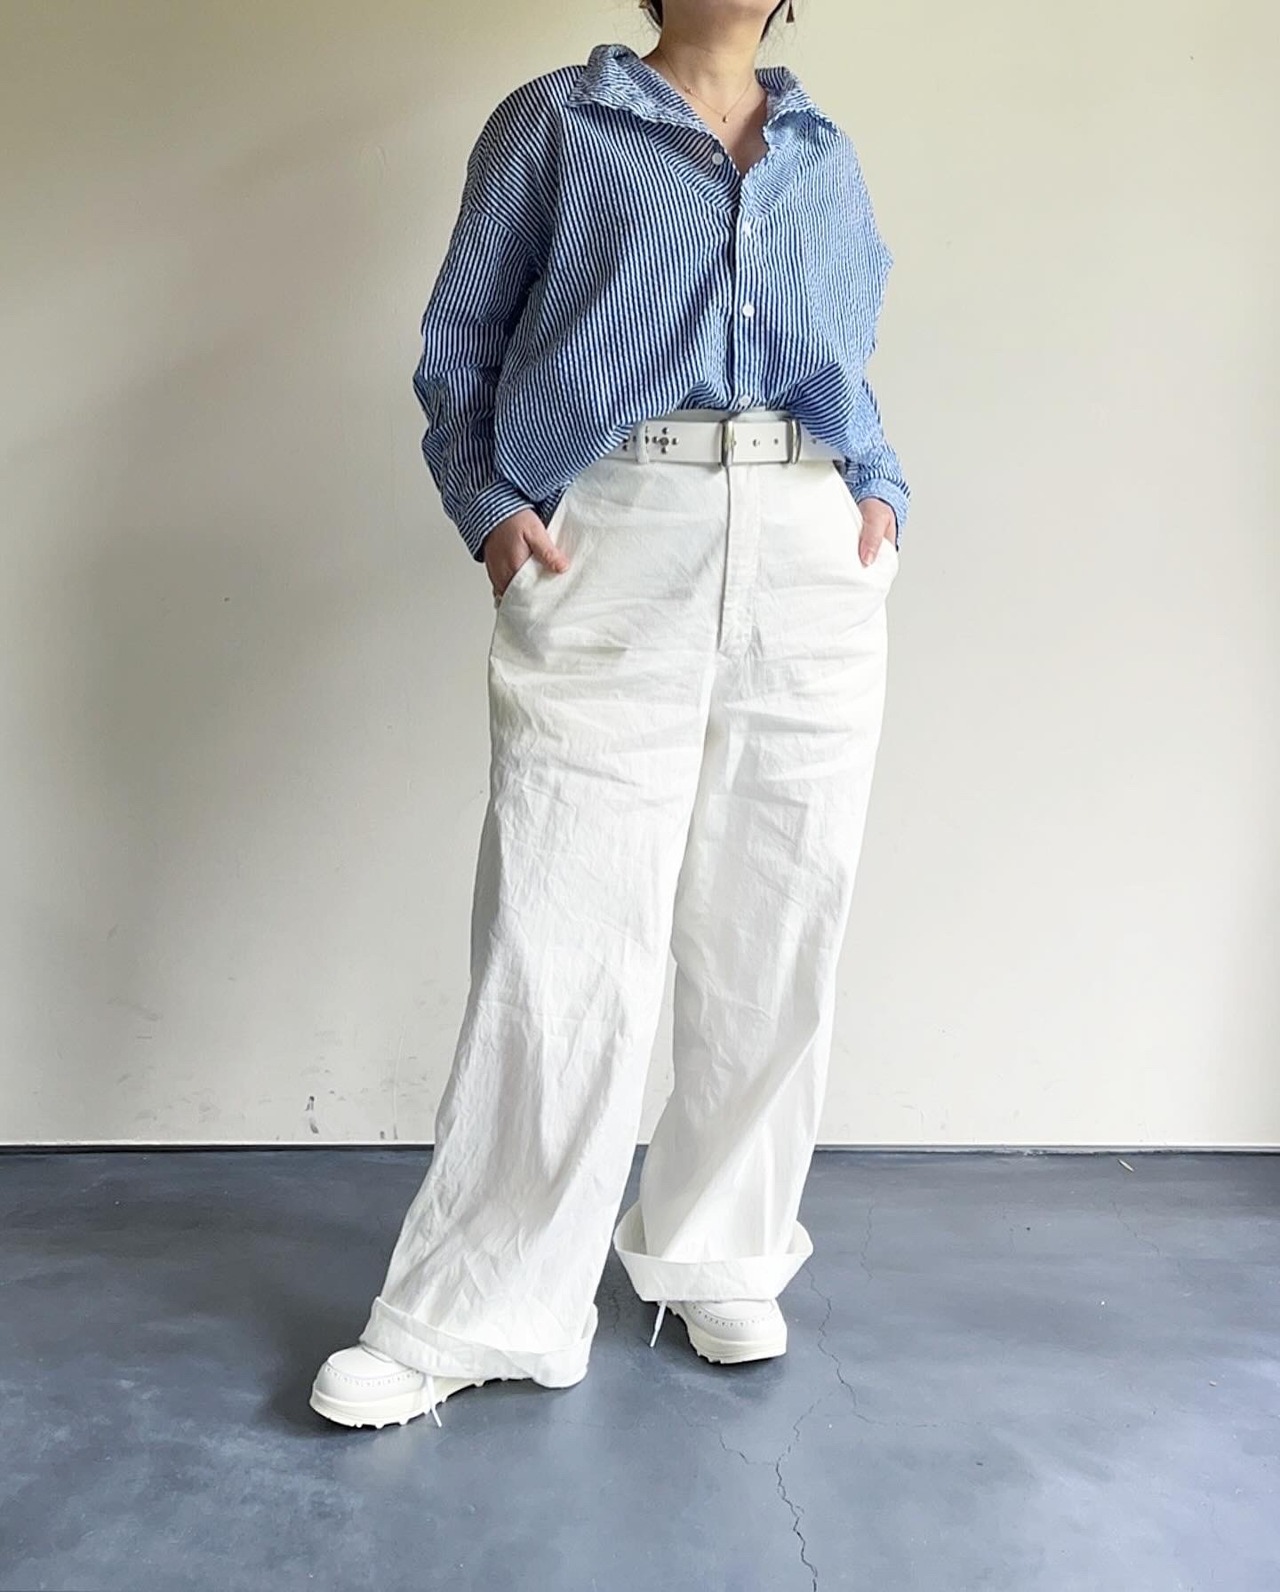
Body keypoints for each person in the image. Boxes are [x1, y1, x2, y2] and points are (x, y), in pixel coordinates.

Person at [310, 0, 910, 1430]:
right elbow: (462, 335)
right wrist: (488, 504)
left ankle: (721, 1252)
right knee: (563, 920)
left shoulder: (821, 148)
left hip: (808, 537)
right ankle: (485, 1307)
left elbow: (844, 347)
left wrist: (879, 483)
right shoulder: (559, 121)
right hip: (618, 525)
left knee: (778, 914)